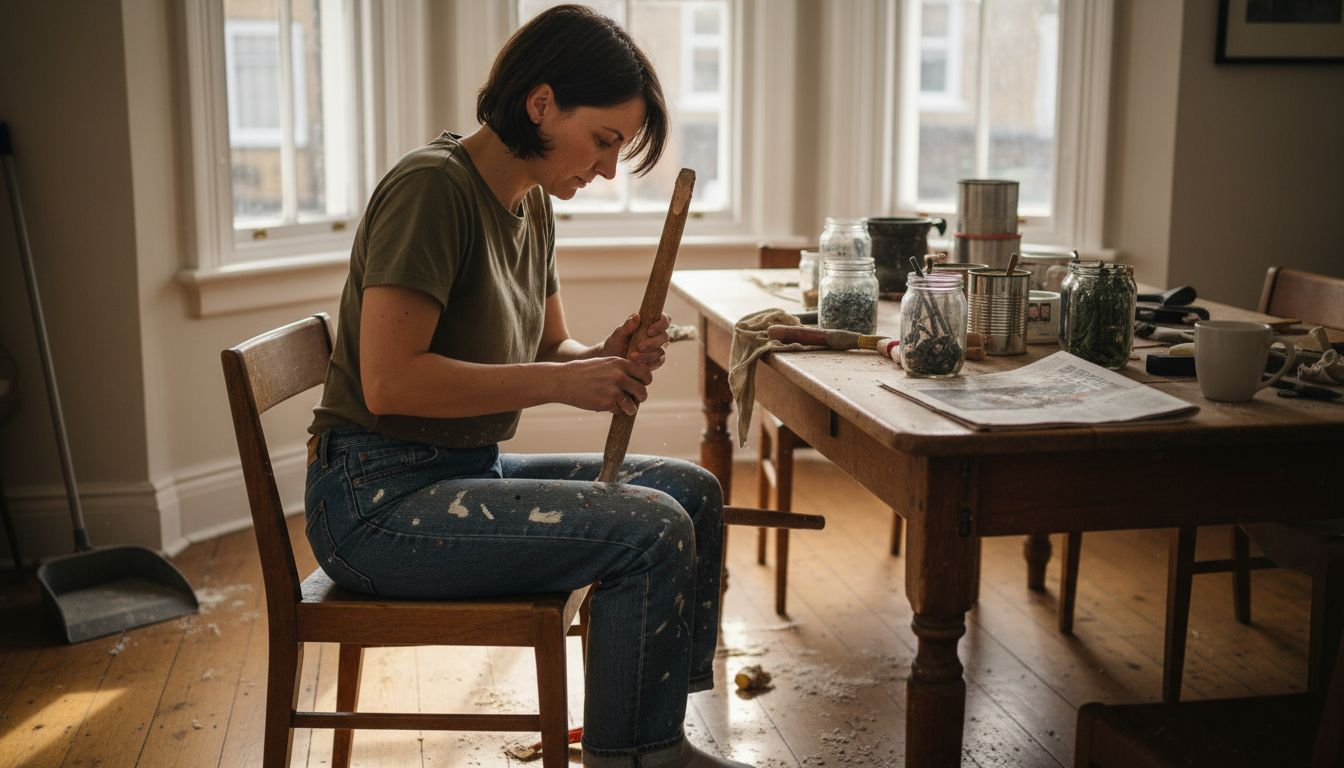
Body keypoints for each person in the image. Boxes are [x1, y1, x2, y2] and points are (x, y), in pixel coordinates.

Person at [303, 6, 749, 768]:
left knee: (695, 492)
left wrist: (598, 360)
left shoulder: (532, 201)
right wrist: (562, 383)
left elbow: (551, 346)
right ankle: (631, 756)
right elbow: (388, 381)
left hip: (457, 473)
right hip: (375, 505)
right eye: (604, 140)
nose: (608, 168)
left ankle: (649, 728)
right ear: (541, 103)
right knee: (652, 528)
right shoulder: (432, 190)